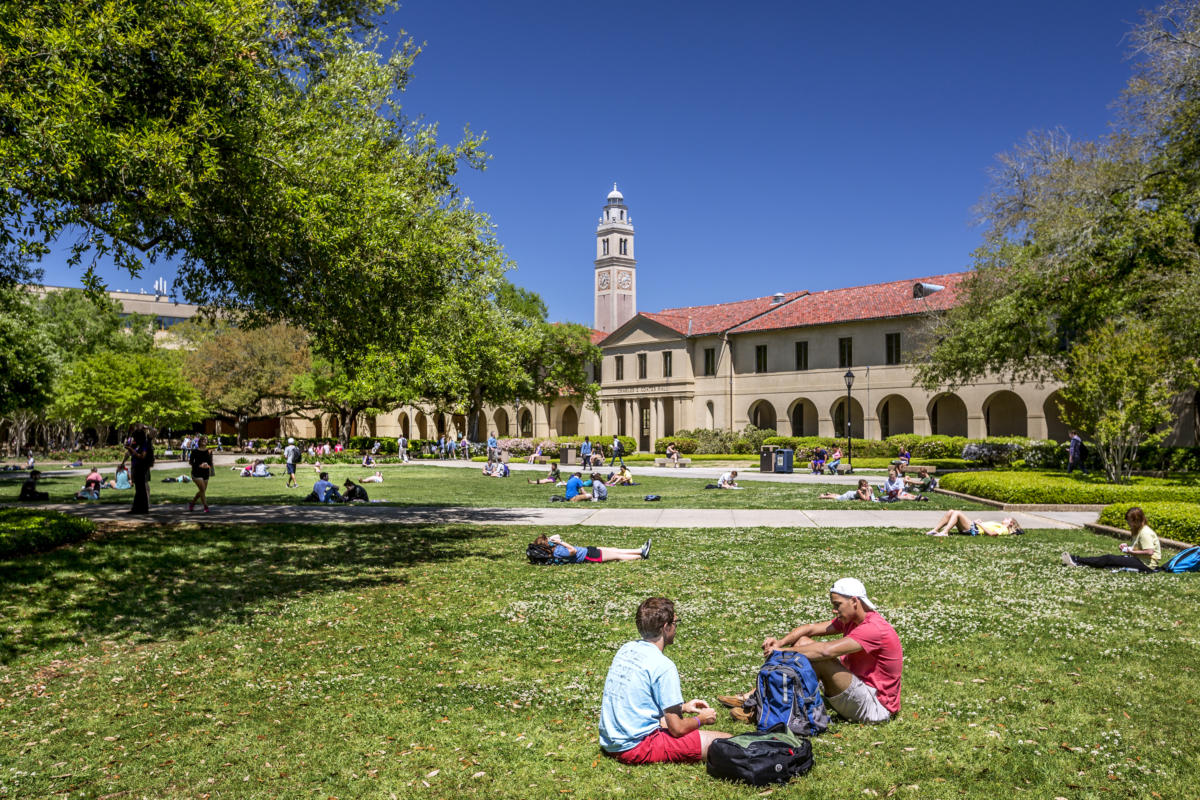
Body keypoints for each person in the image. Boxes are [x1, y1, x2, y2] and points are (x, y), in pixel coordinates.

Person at [719, 578, 903, 725]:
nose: (834, 609)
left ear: (854, 601)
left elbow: (826, 651)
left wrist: (781, 651)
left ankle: (763, 706)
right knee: (804, 643)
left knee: (819, 658)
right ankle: (758, 698)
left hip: (875, 707)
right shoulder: (853, 620)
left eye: (837, 604)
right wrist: (781, 642)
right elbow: (810, 629)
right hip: (855, 690)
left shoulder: (874, 628)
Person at [599, 596, 732, 765]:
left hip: (611, 741)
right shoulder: (663, 666)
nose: (676, 628)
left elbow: (638, 703)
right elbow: (677, 729)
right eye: (675, 623)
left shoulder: (626, 649)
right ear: (665, 627)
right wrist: (702, 719)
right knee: (726, 742)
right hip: (635, 747)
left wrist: (682, 707)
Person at [1062, 506, 1160, 572]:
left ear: (1137, 520)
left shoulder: (1145, 532)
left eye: (1130, 522)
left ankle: (1077, 560)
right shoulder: (1138, 530)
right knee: (1110, 562)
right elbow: (1142, 548)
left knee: (1109, 558)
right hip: (1141, 560)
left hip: (1146, 565)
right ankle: (1078, 562)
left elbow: (1149, 552)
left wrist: (1132, 553)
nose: (1128, 524)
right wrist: (1128, 547)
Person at [536, 533, 650, 563]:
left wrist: (556, 541)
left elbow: (557, 536)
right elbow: (572, 551)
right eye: (547, 541)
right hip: (589, 556)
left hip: (588, 551)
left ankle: (640, 550)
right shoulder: (558, 552)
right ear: (546, 546)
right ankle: (641, 556)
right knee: (617, 556)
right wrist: (561, 542)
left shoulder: (556, 549)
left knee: (613, 549)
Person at [124, 426, 154, 514]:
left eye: (135, 436)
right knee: (139, 489)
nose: (134, 439)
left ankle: (142, 509)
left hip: (141, 468)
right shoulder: (136, 444)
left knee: (141, 489)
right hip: (136, 468)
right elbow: (127, 447)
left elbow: (142, 456)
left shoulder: (145, 443)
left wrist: (132, 450)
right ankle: (138, 508)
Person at [924, 510, 1024, 536]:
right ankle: (935, 530)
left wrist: (979, 524)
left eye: (1008, 519)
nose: (1005, 518)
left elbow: (992, 534)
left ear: (1011, 524)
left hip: (974, 529)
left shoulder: (1004, 529)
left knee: (957, 513)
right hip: (975, 526)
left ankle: (945, 532)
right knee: (951, 512)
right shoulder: (1001, 526)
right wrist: (981, 522)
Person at [188, 435, 213, 512]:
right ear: (200, 441)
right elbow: (191, 462)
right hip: (196, 472)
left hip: (205, 473)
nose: (205, 441)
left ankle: (192, 503)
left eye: (206, 440)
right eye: (203, 440)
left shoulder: (209, 451)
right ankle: (206, 507)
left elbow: (211, 463)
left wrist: (207, 465)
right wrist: (200, 465)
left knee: (202, 491)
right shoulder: (195, 451)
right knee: (202, 489)